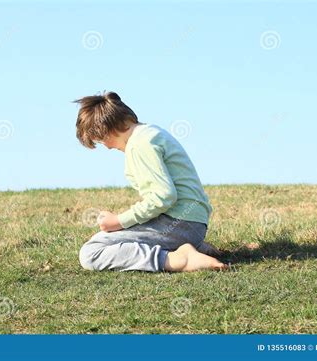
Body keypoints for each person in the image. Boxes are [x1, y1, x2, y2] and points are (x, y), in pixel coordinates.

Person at [74, 91, 228, 272]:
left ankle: (178, 258)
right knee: (106, 238)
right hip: (191, 222)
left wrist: (119, 221)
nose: (107, 147)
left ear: (107, 130)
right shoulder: (150, 133)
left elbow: (163, 197)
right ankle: (191, 245)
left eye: (101, 141)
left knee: (92, 251)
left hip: (179, 223)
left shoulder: (138, 145)